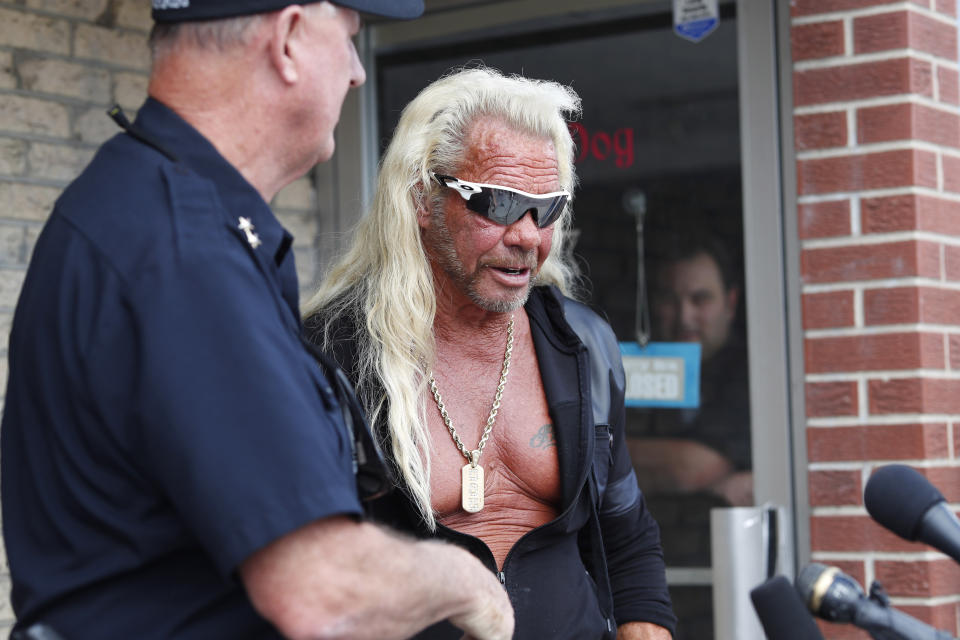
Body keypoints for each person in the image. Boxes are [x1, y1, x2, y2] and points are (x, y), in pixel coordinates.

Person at [1, 3, 515, 639]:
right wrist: (472, 586)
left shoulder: (149, 211)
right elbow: (326, 592)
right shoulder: (181, 251)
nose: (357, 73)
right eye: (350, 39)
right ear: (291, 38)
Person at [304, 67, 677, 640]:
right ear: (423, 199)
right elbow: (302, 570)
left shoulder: (580, 343)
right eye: (500, 203)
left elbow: (627, 537)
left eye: (546, 208)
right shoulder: (330, 353)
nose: (528, 235)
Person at [627, 233, 753, 506]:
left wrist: (601, 449)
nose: (685, 317)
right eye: (670, 300)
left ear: (730, 304)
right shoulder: (632, 366)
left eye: (700, 299)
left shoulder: (755, 369)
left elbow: (691, 471)